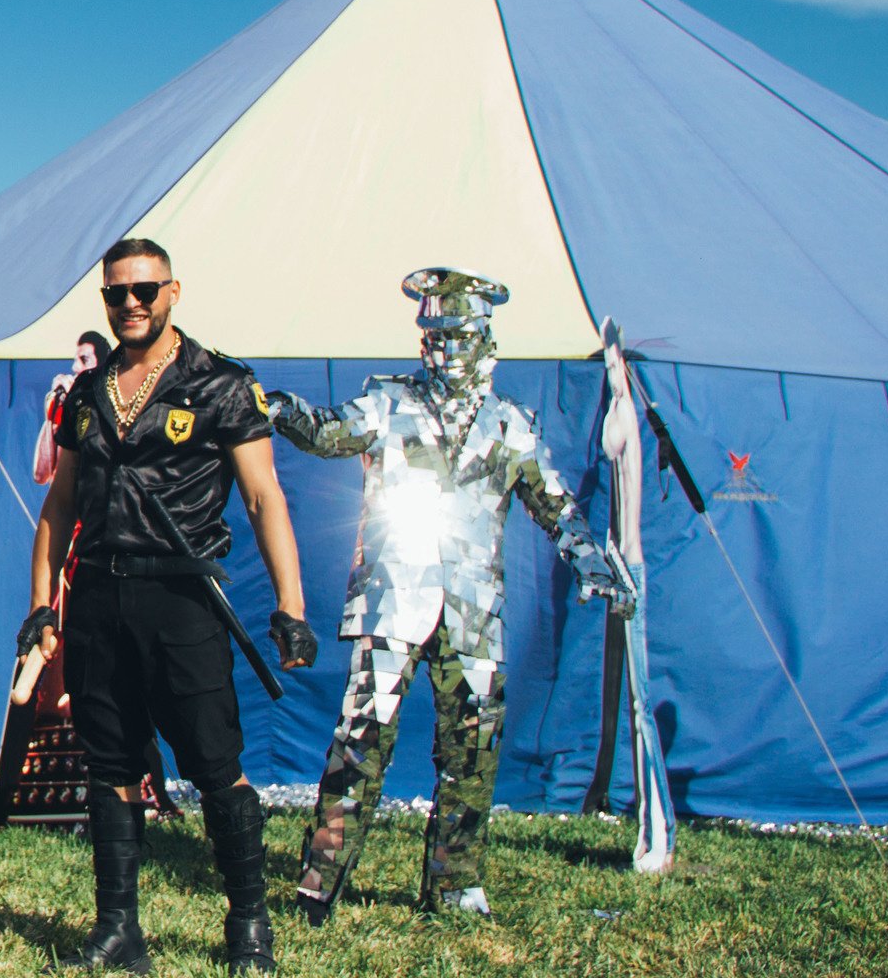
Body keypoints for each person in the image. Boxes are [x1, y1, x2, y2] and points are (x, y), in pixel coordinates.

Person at [264, 269, 632, 922]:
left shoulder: (510, 424)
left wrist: (591, 561)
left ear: (487, 344)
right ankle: (319, 884)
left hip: (471, 613)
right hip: (391, 605)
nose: (446, 349)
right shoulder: (388, 401)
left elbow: (554, 504)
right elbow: (327, 431)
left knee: (473, 750)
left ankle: (455, 885)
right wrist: (277, 408)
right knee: (358, 743)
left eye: (460, 336)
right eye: (435, 335)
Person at [22, 238, 314, 978]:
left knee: (216, 763)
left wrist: (290, 604)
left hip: (182, 596)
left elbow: (262, 497)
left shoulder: (220, 384)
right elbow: (58, 503)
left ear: (174, 290)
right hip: (98, 595)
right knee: (111, 760)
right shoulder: (88, 394)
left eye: (145, 289)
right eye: (117, 293)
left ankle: (248, 923)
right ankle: (118, 931)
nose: (131, 304)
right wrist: (41, 604)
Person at [33, 330, 109, 485]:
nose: (75, 368)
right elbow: (41, 474)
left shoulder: (109, 405)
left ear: (100, 366)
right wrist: (53, 414)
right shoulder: (67, 406)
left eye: (84, 360)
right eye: (75, 360)